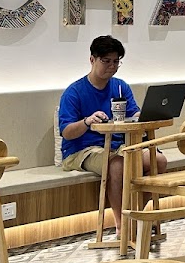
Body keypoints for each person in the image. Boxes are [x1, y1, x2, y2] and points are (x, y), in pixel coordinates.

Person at [58, 35, 167, 235]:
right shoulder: (74, 92)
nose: (112, 66)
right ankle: (122, 226)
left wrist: (146, 115)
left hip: (118, 145)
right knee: (117, 164)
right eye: (106, 61)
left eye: (116, 61)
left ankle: (134, 215)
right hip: (81, 151)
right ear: (92, 60)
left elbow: (133, 113)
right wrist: (87, 121)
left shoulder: (120, 86)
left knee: (157, 160)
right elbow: (67, 132)